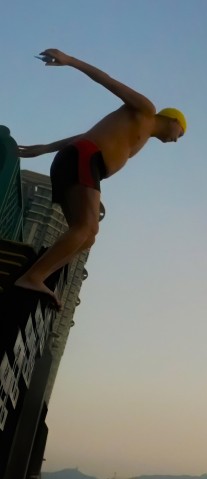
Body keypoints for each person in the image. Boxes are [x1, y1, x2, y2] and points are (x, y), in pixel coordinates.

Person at [15, 48, 186, 307]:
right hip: (84, 158)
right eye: (180, 133)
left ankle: (40, 277)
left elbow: (84, 135)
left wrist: (44, 148)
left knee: (89, 235)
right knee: (86, 228)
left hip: (83, 162)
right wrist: (70, 61)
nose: (175, 140)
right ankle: (32, 277)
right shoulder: (145, 110)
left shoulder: (140, 139)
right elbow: (107, 80)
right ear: (173, 119)